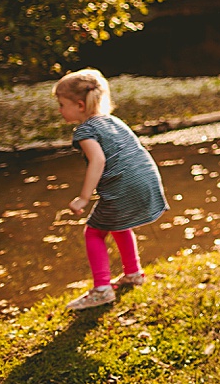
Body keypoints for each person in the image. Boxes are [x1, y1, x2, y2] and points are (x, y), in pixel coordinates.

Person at [54, 68, 169, 311]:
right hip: (146, 178)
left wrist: (84, 197)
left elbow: (98, 161)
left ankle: (102, 289)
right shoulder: (113, 121)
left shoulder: (85, 131)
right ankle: (133, 273)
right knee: (118, 224)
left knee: (93, 232)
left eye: (62, 104)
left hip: (125, 185)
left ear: (80, 105)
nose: (59, 110)